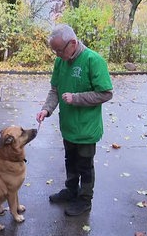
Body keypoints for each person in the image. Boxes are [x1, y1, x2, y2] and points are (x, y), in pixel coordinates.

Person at [36, 24, 113, 216]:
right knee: (70, 160)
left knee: (85, 166)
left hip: (86, 129)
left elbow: (105, 93)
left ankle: (85, 200)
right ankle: (71, 191)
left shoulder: (93, 60)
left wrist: (76, 98)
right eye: (54, 51)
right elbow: (55, 90)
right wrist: (46, 110)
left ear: (72, 43)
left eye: (59, 50)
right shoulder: (61, 61)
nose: (57, 55)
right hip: (68, 126)